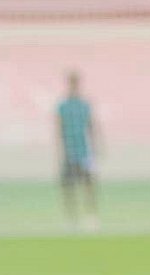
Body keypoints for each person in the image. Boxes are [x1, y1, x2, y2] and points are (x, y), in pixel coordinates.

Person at [56, 71, 100, 231]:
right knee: (68, 187)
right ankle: (71, 218)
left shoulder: (84, 105)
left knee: (89, 185)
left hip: (84, 152)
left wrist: (95, 149)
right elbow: (59, 129)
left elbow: (91, 126)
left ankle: (91, 217)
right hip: (69, 151)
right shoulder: (63, 106)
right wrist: (60, 151)